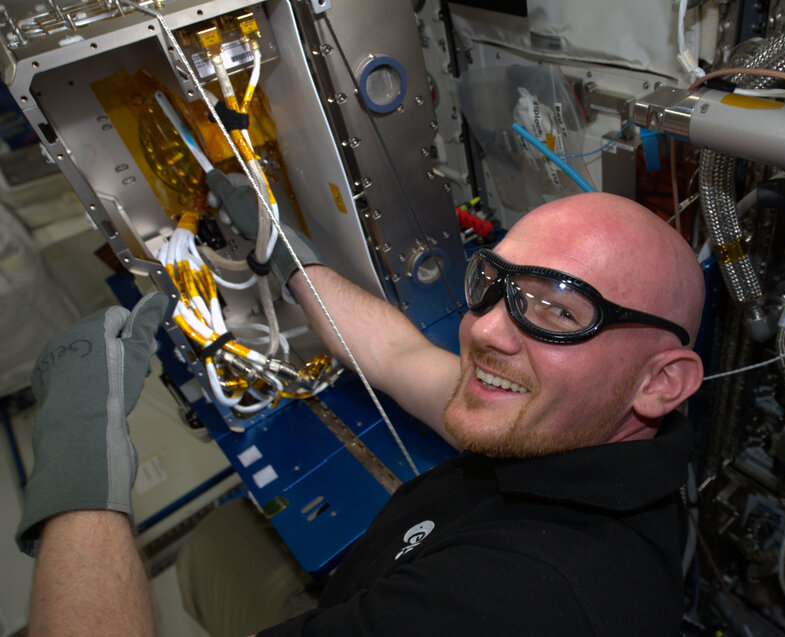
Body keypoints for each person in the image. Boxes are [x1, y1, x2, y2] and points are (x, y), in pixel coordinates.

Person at [16, 188, 705, 636]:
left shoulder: (523, 600)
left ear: (660, 382)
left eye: (558, 309)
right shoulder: (582, 434)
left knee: (206, 558)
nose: (485, 331)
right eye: (493, 284)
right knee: (219, 542)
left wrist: (77, 448)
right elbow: (403, 357)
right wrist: (287, 258)